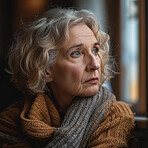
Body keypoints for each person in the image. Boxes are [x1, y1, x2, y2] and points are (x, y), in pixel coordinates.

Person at [0, 7, 135, 148]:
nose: (95, 64)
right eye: (76, 53)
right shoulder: (11, 120)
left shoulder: (115, 115)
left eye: (95, 50)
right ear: (46, 70)